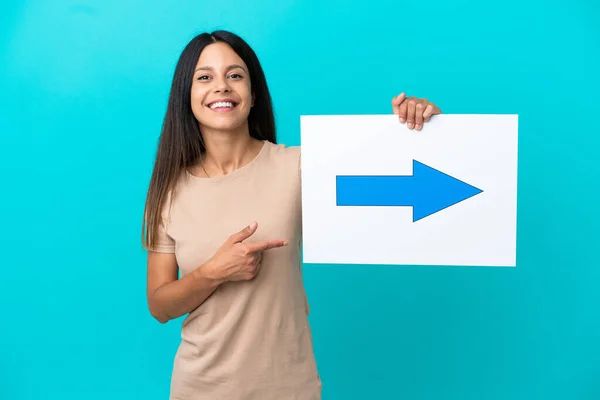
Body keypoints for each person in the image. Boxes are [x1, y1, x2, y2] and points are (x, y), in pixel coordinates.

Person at [141, 30, 441, 400]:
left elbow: (389, 185)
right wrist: (214, 272)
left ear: (253, 96)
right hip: (198, 388)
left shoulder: (299, 166)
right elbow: (159, 304)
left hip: (288, 387)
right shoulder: (168, 192)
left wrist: (417, 128)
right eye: (205, 77)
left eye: (235, 75)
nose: (221, 86)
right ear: (186, 97)